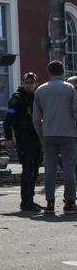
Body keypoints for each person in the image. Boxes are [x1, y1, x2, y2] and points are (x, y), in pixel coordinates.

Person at [32, 60, 77, 214]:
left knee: (50, 169)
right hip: (69, 134)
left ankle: (50, 202)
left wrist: (41, 134)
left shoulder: (40, 90)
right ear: (63, 71)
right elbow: (75, 112)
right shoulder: (70, 88)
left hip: (48, 134)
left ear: (48, 72)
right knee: (69, 169)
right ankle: (70, 202)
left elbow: (36, 118)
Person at [4, 72, 42, 212]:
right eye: (27, 82)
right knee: (28, 169)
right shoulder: (17, 98)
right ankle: (25, 202)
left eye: (32, 82)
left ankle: (29, 200)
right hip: (24, 138)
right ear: (23, 82)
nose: (29, 84)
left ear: (36, 83)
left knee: (36, 168)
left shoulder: (37, 97)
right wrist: (8, 138)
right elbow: (8, 119)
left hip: (36, 137)